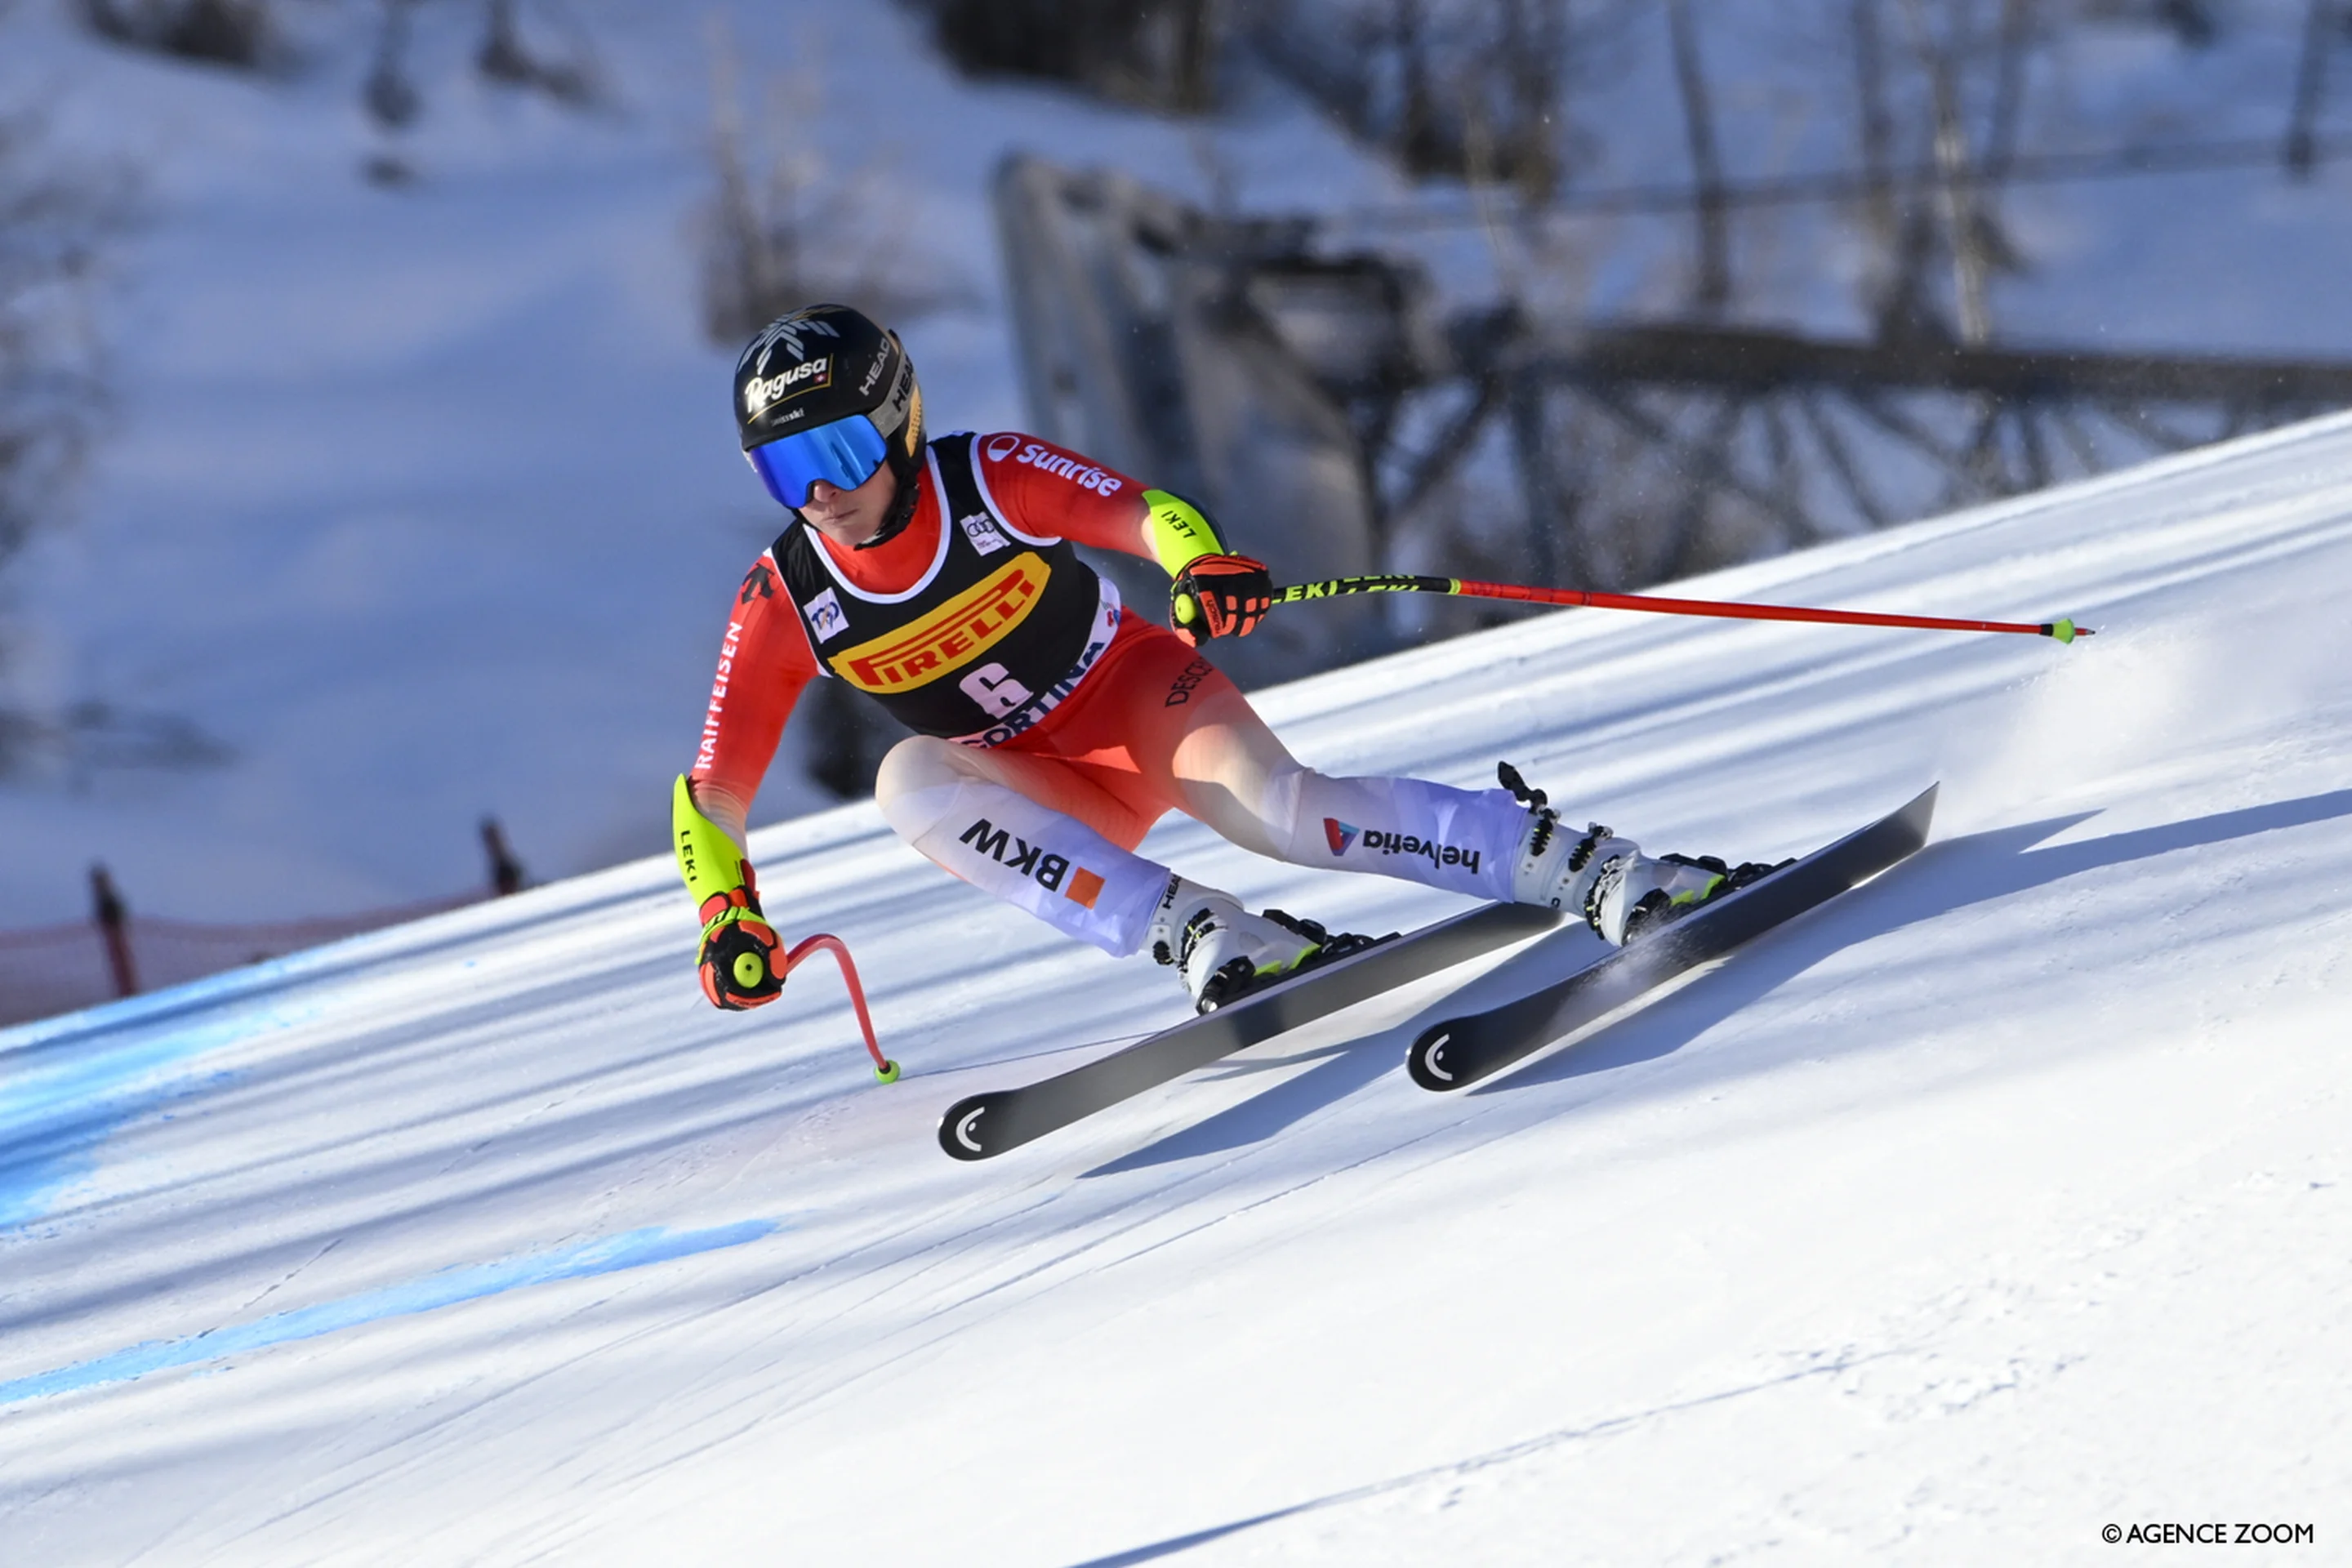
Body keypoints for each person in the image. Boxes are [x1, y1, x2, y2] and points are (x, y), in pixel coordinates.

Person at [674, 305, 1755, 1015]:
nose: (821, 492)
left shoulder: (986, 477)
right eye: (784, 470)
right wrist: (727, 915)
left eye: (840, 451)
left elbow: (1141, 512)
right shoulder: (791, 598)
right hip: (1045, 783)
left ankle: (1603, 872)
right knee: (906, 781)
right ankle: (1204, 933)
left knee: (1293, 816)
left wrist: (1199, 566)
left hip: (1136, 697)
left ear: (900, 424)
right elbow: (711, 790)